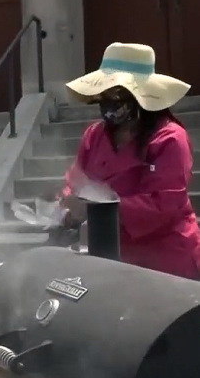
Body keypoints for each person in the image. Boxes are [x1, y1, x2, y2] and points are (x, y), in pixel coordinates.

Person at [60, 42, 200, 279]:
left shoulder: (170, 138)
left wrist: (98, 210)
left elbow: (163, 204)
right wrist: (67, 204)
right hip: (112, 258)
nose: (108, 102)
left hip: (167, 261)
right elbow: (75, 180)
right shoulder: (94, 135)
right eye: (104, 95)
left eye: (117, 95)